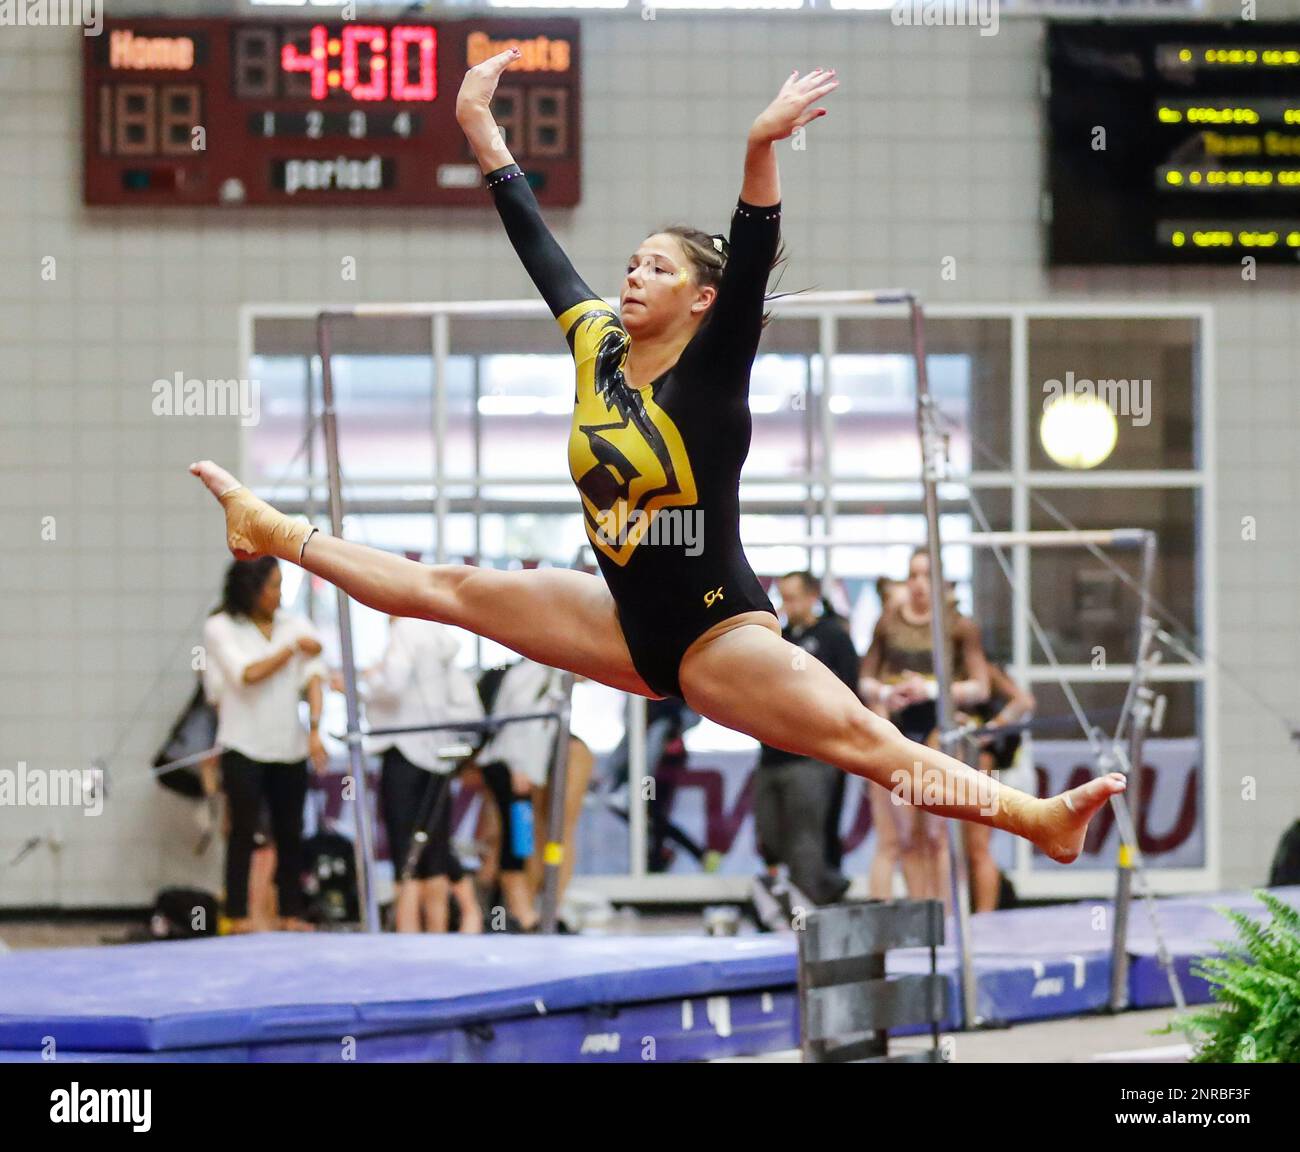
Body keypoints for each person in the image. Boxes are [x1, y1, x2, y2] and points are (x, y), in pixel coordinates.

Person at [189, 51, 1123, 869]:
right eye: (631, 263)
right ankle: (272, 526)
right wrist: (480, 128)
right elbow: (535, 242)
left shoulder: (712, 378)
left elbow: (752, 253)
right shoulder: (594, 342)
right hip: (622, 621)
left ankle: (1036, 818)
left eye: (659, 269)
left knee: (862, 741)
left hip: (721, 637)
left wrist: (760, 147)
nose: (632, 276)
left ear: (703, 300)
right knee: (451, 585)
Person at [858, 548, 991, 905]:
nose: (918, 585)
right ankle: (921, 917)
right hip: (899, 729)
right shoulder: (888, 622)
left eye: (927, 576)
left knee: (938, 833)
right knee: (905, 836)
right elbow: (864, 680)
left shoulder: (959, 626)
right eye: (912, 575)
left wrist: (931, 689)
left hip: (939, 729)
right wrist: (888, 691)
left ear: (942, 583)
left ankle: (947, 917)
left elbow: (981, 687)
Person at [202, 558, 328, 932]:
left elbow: (316, 677)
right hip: (242, 744)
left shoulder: (295, 624)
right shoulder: (221, 627)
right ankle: (238, 914)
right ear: (250, 588)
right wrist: (290, 651)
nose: (279, 593)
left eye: (280, 584)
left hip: (287, 745)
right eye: (271, 585)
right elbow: (247, 674)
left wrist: (316, 729)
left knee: (291, 831)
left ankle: (290, 912)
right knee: (243, 831)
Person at [356, 615, 485, 934]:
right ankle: (440, 937)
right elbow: (468, 707)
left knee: (406, 854)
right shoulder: (440, 639)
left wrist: (366, 683)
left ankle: (408, 937)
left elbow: (393, 685)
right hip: (437, 757)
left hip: (404, 752)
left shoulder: (405, 629)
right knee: (435, 855)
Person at [753, 572, 857, 907]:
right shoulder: (776, 638)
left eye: (793, 597)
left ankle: (810, 911)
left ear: (813, 596)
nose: (787, 605)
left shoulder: (832, 637)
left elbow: (850, 692)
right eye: (782, 597)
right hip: (772, 753)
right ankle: (820, 891)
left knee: (805, 840)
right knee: (770, 836)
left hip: (812, 755)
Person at [475, 658, 586, 931]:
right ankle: (521, 912)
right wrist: (520, 769)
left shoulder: (540, 675)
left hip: (517, 767)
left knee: (520, 838)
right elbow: (519, 724)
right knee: (516, 839)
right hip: (511, 766)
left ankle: (526, 911)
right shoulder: (535, 674)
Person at [958, 662, 1036, 913]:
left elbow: (1024, 701)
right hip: (949, 760)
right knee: (954, 847)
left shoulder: (983, 668)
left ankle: (984, 917)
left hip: (981, 761)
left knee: (978, 845)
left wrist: (990, 729)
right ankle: (958, 914)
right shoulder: (933, 665)